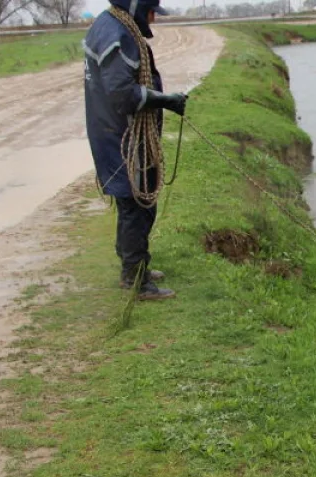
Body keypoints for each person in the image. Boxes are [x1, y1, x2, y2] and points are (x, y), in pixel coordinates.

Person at [83, 0, 188, 300]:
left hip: (116, 134)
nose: (153, 18)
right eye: (152, 11)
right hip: (121, 137)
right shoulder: (116, 35)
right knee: (135, 205)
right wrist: (166, 100)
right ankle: (137, 280)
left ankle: (133, 265)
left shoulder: (109, 26)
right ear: (138, 7)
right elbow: (121, 94)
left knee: (137, 203)